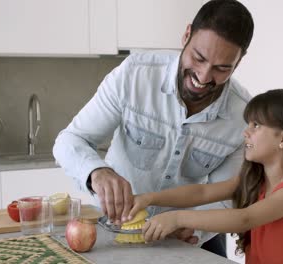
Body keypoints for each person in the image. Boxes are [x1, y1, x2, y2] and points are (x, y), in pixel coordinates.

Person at [53, 0, 254, 257]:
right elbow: (69, 140)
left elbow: (227, 195)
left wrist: (190, 227)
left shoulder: (243, 116)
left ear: (239, 61)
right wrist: (97, 172)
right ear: (186, 35)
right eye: (198, 58)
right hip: (116, 232)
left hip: (189, 239)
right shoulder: (135, 74)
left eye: (221, 68)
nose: (203, 77)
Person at [129, 89, 283, 264]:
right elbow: (202, 192)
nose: (246, 132)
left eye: (256, 125)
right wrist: (149, 198)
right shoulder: (255, 181)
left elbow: (245, 218)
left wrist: (177, 218)